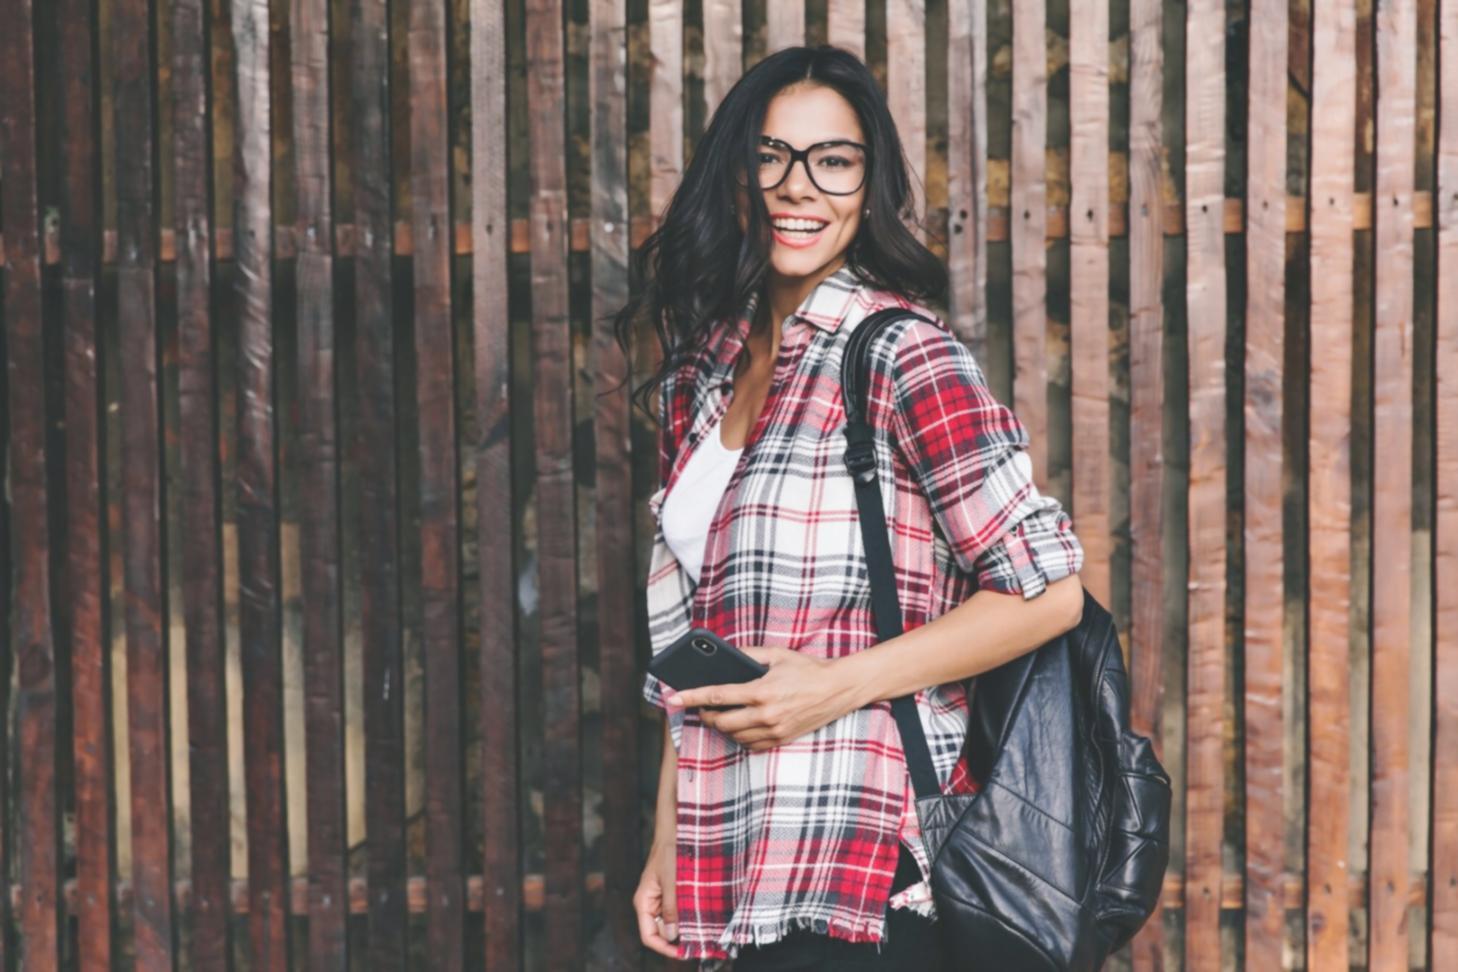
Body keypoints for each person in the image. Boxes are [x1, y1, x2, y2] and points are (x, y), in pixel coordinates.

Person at [611, 45, 1086, 971]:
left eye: (834, 161)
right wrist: (665, 845)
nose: (800, 187)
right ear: (736, 175)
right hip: (732, 860)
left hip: (863, 858)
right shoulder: (701, 382)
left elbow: (1048, 591)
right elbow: (696, 652)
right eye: (772, 156)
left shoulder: (903, 355)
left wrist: (834, 684)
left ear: (868, 187)